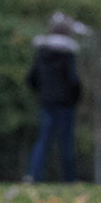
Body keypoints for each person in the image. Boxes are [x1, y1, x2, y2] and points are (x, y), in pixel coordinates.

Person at [25, 13, 82, 182]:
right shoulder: (67, 54)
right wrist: (75, 97)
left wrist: (42, 92)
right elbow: (73, 80)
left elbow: (31, 78)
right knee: (65, 142)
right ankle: (69, 179)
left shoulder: (42, 53)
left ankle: (34, 175)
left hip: (47, 102)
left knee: (43, 140)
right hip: (65, 103)